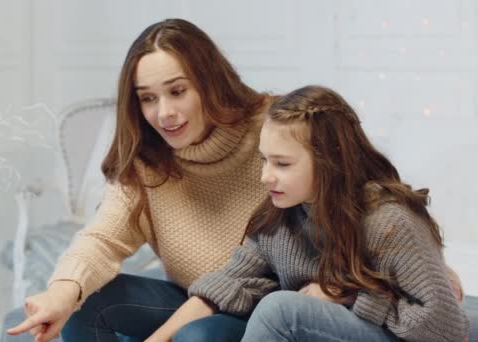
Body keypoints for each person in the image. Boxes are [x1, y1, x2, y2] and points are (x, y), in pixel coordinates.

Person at [7, 18, 273, 342]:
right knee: (85, 303)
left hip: (263, 311)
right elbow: (102, 238)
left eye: (177, 91)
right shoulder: (147, 160)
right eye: (148, 98)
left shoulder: (273, 131)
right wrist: (61, 294)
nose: (164, 113)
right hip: (190, 300)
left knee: (198, 336)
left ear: (210, 82)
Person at [152, 85, 470, 341]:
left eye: (282, 163)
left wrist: (346, 295)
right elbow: (228, 284)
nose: (266, 176)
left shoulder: (388, 221)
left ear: (329, 163)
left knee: (281, 310)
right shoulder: (281, 217)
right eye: (264, 160)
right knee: (199, 334)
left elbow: (449, 330)